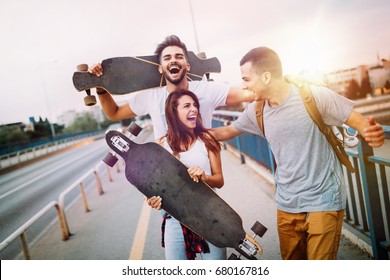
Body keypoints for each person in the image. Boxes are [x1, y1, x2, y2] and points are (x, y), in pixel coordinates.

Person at [211, 47, 385, 260]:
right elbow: (225, 131)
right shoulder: (256, 111)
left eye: (246, 79)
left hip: (323, 200)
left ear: (266, 77)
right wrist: (182, 133)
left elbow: (362, 124)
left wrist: (372, 134)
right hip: (287, 205)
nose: (244, 85)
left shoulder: (314, 97)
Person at [88, 35, 253, 139]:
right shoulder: (151, 96)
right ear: (160, 68)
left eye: (179, 56)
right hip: (167, 178)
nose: (173, 60)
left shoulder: (205, 89)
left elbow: (248, 93)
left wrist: (265, 80)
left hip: (203, 177)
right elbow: (114, 113)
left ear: (187, 66)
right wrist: (100, 86)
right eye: (167, 58)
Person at [146, 89, 226, 260]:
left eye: (195, 105)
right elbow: (154, 186)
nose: (194, 109)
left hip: (211, 216)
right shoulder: (161, 145)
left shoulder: (207, 139)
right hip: (175, 220)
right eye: (187, 106)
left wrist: (204, 177)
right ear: (174, 113)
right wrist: (152, 199)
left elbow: (219, 180)